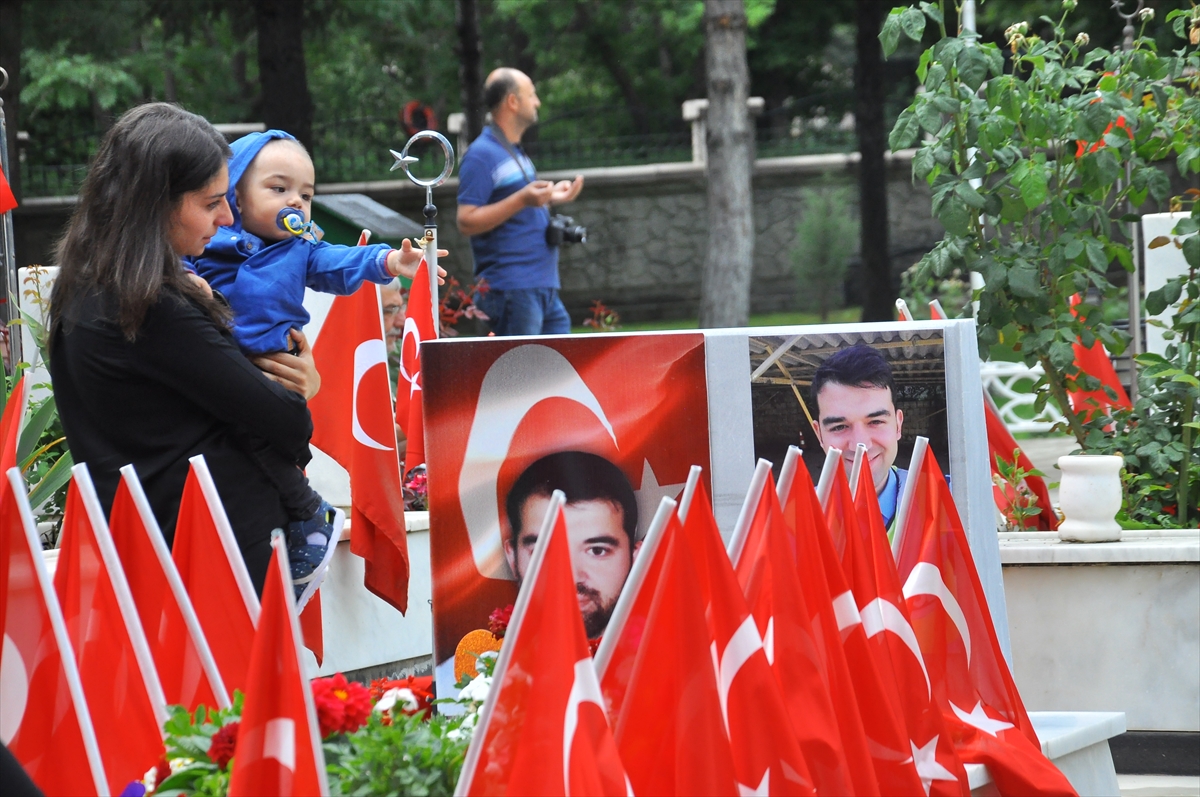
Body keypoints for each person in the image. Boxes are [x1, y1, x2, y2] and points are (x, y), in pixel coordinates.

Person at [49, 103, 317, 594]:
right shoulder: (149, 305)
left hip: (147, 547)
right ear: (156, 203)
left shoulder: (84, 287)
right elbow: (285, 420)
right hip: (209, 557)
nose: (228, 216)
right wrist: (300, 387)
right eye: (212, 201)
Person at [186, 129, 441, 597]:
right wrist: (186, 278)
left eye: (306, 194)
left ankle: (307, 516)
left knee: (274, 446)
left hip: (278, 365)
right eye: (278, 188)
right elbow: (175, 261)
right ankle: (295, 519)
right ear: (234, 192)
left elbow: (341, 262)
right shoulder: (208, 241)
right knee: (242, 448)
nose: (295, 202)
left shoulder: (301, 249)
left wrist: (388, 260)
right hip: (222, 364)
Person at [456, 67, 584, 336]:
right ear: (512, 102)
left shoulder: (513, 151)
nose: (537, 101)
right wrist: (523, 198)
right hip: (512, 291)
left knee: (560, 373)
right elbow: (466, 220)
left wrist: (550, 198)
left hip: (541, 288)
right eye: (532, 94)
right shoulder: (481, 155)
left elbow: (518, 206)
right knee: (521, 377)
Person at [503, 451, 639, 639]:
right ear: (513, 558)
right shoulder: (458, 669)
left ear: (636, 558)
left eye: (597, 551)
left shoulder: (684, 667)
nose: (572, 576)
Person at [810, 344, 907, 529]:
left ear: (898, 424)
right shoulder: (793, 520)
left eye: (876, 422)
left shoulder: (947, 501)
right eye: (839, 427)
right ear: (819, 434)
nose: (860, 445)